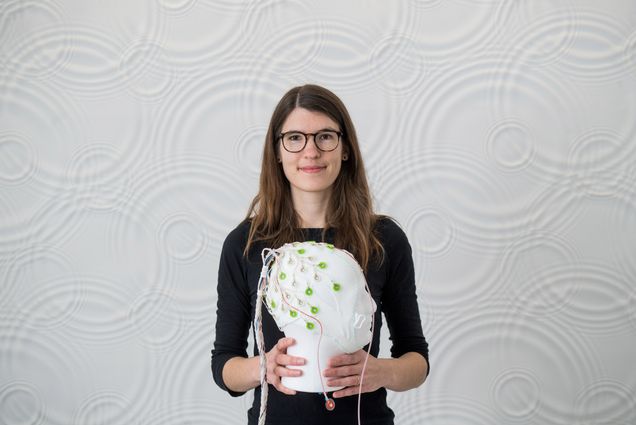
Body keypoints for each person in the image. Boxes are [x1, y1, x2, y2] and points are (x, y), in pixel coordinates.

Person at [211, 84, 429, 425]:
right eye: (295, 138)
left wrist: (381, 372)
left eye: (325, 137)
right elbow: (224, 365)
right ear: (277, 151)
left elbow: (416, 359)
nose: (310, 151)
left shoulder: (383, 239)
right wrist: (262, 368)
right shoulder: (247, 244)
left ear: (344, 149)